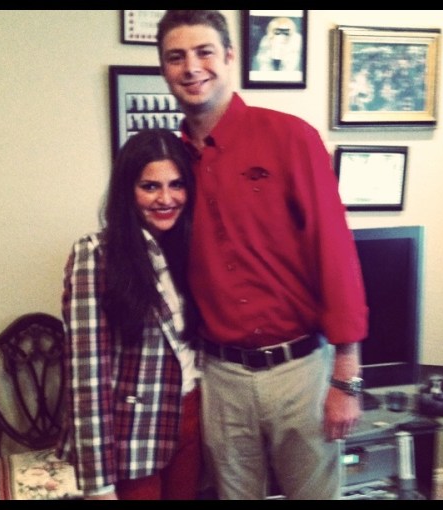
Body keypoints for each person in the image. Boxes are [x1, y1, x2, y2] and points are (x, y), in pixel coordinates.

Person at [156, 11, 369, 500]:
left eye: (204, 52)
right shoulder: (170, 166)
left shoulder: (290, 138)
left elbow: (335, 252)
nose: (192, 67)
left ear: (229, 56)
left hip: (300, 372)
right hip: (220, 375)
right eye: (176, 57)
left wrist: (347, 376)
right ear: (165, 69)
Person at [56, 129, 202, 500]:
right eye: (150, 186)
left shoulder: (190, 248)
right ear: (127, 190)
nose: (166, 198)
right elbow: (87, 377)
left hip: (192, 420)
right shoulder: (96, 254)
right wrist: (99, 485)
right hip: (132, 435)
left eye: (176, 184)